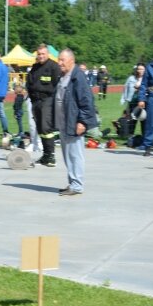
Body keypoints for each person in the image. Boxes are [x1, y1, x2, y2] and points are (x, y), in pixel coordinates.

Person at [55, 49, 97, 196]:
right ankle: (72, 183)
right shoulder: (62, 76)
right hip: (63, 123)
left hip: (74, 123)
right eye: (59, 60)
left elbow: (87, 101)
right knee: (68, 156)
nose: (59, 63)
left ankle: (77, 185)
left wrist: (82, 122)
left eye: (62, 60)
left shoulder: (77, 77)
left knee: (75, 156)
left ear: (71, 60)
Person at [26, 44, 62, 166]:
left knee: (46, 128)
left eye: (43, 54)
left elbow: (58, 85)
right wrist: (31, 98)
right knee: (40, 129)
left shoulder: (54, 67)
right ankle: (46, 155)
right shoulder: (35, 67)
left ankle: (51, 156)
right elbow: (29, 83)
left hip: (48, 100)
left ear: (47, 54)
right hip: (35, 101)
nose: (41, 56)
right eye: (39, 54)